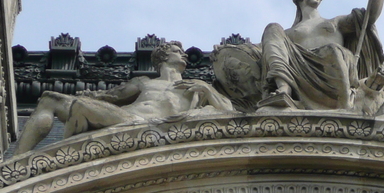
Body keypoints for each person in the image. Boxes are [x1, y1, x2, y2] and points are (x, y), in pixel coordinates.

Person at [214, 0, 384, 112]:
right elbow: (256, 52)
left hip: (332, 73)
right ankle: (284, 89)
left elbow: (369, 17)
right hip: (299, 74)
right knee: (272, 28)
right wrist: (226, 52)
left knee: (333, 50)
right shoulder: (287, 36)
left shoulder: (336, 23)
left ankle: (344, 105)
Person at [13, 40, 233, 154]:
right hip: (127, 120)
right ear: (163, 57)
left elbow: (229, 113)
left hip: (160, 127)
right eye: (177, 51)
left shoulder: (198, 86)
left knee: (79, 108)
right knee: (50, 98)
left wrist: (207, 90)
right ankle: (17, 163)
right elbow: (110, 96)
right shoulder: (144, 82)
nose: (183, 54)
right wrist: (89, 94)